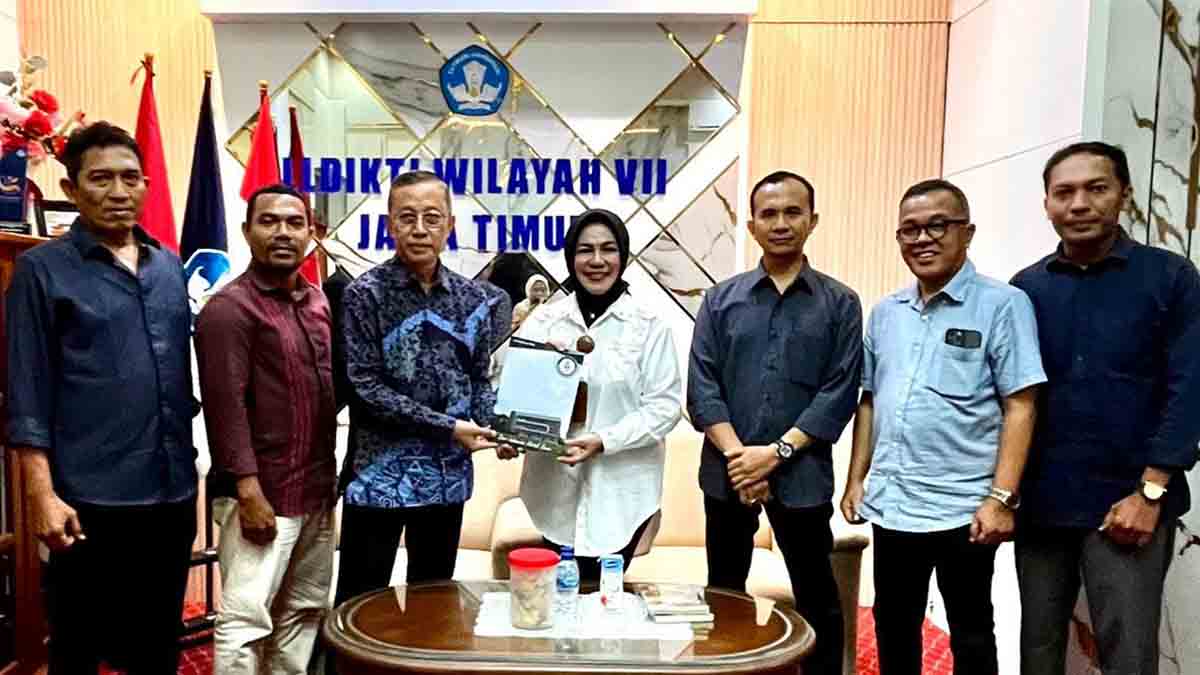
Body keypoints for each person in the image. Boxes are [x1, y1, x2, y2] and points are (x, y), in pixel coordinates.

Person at [5, 122, 198, 673]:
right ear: (71, 189)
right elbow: (26, 392)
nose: (118, 192)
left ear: (146, 185)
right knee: (78, 647)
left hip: (171, 493)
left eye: (130, 178)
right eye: (101, 179)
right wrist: (42, 495)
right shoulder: (41, 271)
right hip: (88, 500)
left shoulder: (168, 266)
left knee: (157, 644)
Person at [841, 179, 1045, 675]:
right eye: (909, 229)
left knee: (970, 630)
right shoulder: (886, 312)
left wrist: (1001, 499)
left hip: (965, 506)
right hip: (895, 501)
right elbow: (870, 400)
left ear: (966, 233)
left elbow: (1021, 405)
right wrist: (856, 478)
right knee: (893, 623)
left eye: (937, 225)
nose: (922, 239)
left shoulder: (1003, 304)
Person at [1011, 141, 1200, 675]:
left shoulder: (1170, 278)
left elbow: (1190, 389)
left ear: (1124, 194)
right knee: (1038, 652)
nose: (1079, 204)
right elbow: (1015, 400)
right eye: (1063, 192)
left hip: (1130, 504)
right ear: (1047, 204)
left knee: (1129, 657)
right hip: (1042, 506)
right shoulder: (1026, 289)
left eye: (1096, 188)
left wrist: (1151, 491)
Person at [687, 170, 862, 675]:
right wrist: (741, 460)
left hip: (802, 477)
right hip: (727, 474)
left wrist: (774, 454)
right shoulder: (720, 300)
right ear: (751, 225)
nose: (780, 223)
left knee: (818, 597)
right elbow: (702, 388)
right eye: (768, 214)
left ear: (812, 220)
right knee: (724, 593)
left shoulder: (840, 303)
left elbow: (839, 392)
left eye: (792, 212)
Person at [334, 171, 511, 605]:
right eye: (406, 217)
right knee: (360, 605)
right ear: (390, 225)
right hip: (378, 478)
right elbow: (365, 387)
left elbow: (478, 380)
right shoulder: (364, 295)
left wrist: (504, 429)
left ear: (450, 226)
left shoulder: (474, 299)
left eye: (432, 218)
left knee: (432, 608)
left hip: (445, 479)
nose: (419, 229)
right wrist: (450, 427)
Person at [195, 184, 337, 674]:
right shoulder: (229, 309)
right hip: (262, 494)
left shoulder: (316, 302)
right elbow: (224, 408)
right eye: (269, 221)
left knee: (303, 610)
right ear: (247, 232)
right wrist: (248, 489)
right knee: (245, 621)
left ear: (311, 233)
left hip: (316, 489)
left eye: (294, 223)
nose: (283, 232)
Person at [501, 209, 683, 580]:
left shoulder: (649, 326)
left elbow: (665, 408)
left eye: (608, 249)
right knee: (560, 601)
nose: (597, 260)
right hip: (553, 492)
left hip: (623, 493)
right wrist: (512, 435)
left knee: (607, 600)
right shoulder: (543, 322)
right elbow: (516, 398)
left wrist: (604, 440)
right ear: (571, 257)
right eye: (585, 250)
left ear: (623, 256)